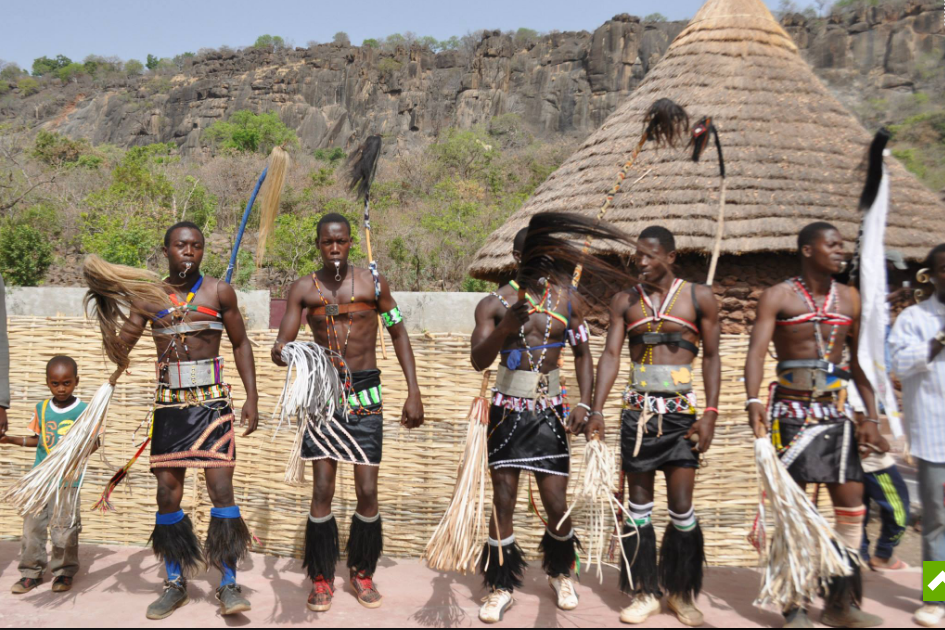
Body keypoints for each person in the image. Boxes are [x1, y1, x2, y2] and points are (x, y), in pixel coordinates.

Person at [103, 221, 260, 619]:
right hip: (170, 406)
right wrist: (108, 305)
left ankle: (227, 583)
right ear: (167, 250)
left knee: (221, 492)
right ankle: (175, 583)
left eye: (196, 246)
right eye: (180, 246)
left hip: (212, 404)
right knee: (166, 495)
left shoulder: (219, 291)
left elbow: (240, 343)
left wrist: (252, 397)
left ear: (203, 251)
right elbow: (122, 347)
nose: (188, 252)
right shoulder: (149, 296)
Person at [272, 212, 424, 613]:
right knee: (322, 488)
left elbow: (398, 332)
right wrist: (285, 351)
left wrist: (414, 390)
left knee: (367, 489)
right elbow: (282, 343)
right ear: (318, 244)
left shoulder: (374, 284)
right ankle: (321, 576)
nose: (334, 248)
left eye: (341, 241)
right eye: (327, 242)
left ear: (351, 242)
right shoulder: (304, 289)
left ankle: (362, 571)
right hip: (323, 395)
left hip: (366, 393)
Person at [745, 222, 886, 628]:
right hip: (790, 417)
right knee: (795, 513)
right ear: (807, 250)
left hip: (836, 415)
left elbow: (858, 363)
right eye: (833, 245)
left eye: (843, 245)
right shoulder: (778, 296)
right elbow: (756, 354)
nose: (841, 251)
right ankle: (795, 605)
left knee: (852, 509)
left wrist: (872, 417)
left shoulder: (851, 298)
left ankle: (842, 602)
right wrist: (753, 400)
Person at [590, 226, 720, 626]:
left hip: (682, 419)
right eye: (637, 257)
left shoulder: (699, 297)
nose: (641, 263)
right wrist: (596, 408)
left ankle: (681, 593)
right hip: (638, 418)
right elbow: (611, 355)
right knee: (638, 509)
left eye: (649, 255)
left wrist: (710, 413)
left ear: (671, 256)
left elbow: (713, 355)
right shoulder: (625, 301)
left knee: (682, 509)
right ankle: (644, 591)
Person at [469, 227, 594, 623]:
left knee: (556, 500)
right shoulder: (493, 303)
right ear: (517, 257)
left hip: (550, 409)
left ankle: (560, 572)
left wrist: (587, 404)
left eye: (547, 256)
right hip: (507, 408)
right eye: (532, 256)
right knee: (503, 497)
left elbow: (583, 354)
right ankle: (501, 584)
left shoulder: (569, 301)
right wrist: (506, 328)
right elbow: (478, 360)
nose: (541, 264)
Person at [888, 243, 945, 628]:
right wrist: (938, 341)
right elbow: (898, 365)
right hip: (936, 438)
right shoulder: (914, 319)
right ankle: (937, 596)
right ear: (932, 275)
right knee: (938, 521)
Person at [1, 356, 89, 594]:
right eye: (55, 383)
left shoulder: (85, 411)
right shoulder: (41, 409)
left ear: (76, 381)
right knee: (32, 528)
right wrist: (10, 439)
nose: (61, 389)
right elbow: (38, 440)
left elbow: (94, 443)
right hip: (40, 480)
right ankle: (31, 573)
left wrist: (77, 447)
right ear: (47, 383)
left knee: (64, 530)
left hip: (68, 481)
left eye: (67, 383)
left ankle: (64, 572)